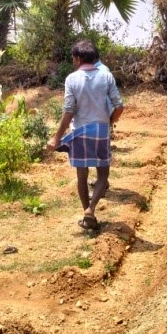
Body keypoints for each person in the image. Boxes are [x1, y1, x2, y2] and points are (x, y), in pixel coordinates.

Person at [47, 39, 124, 230]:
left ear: (79, 58)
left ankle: (86, 213)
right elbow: (120, 106)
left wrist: (57, 137)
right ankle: (91, 209)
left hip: (79, 132)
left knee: (82, 176)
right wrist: (109, 121)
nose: (73, 61)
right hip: (100, 131)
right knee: (103, 175)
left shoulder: (72, 79)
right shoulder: (106, 76)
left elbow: (69, 110)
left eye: (74, 58)